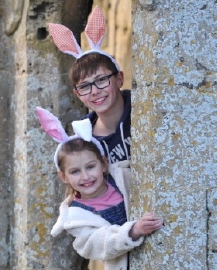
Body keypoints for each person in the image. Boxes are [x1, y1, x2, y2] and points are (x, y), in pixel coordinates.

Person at [36, 107, 163, 270]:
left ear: (103, 164)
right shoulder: (76, 217)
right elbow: (100, 244)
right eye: (75, 171)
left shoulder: (123, 179)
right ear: (64, 177)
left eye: (90, 167)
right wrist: (134, 230)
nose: (85, 177)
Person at [48, 6, 131, 166]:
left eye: (101, 80)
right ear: (78, 94)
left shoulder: (143, 111)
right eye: (85, 87)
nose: (95, 91)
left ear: (119, 79)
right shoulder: (84, 139)